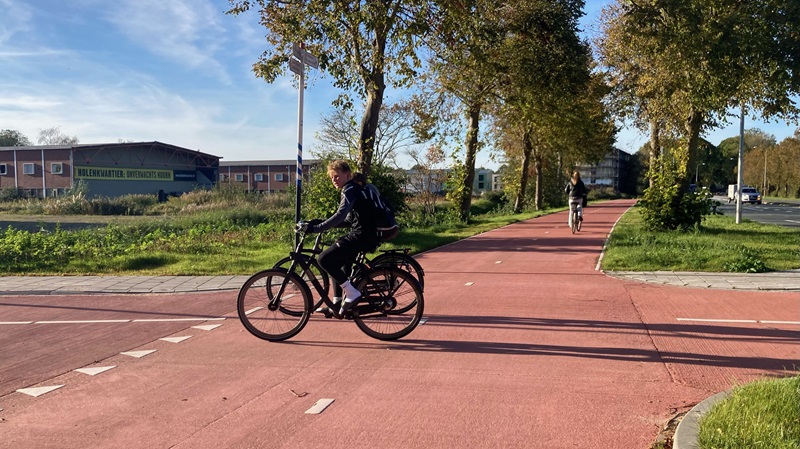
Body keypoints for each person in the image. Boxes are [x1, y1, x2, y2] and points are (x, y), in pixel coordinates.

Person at [302, 160, 388, 316]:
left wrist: (317, 228)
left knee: (323, 259)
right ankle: (336, 304)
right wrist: (321, 222)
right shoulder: (355, 189)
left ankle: (352, 293)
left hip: (361, 235)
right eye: (332, 177)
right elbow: (347, 220)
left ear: (347, 175)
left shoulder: (349, 190)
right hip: (365, 235)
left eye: (337, 176)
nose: (334, 180)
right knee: (337, 264)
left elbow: (340, 215)